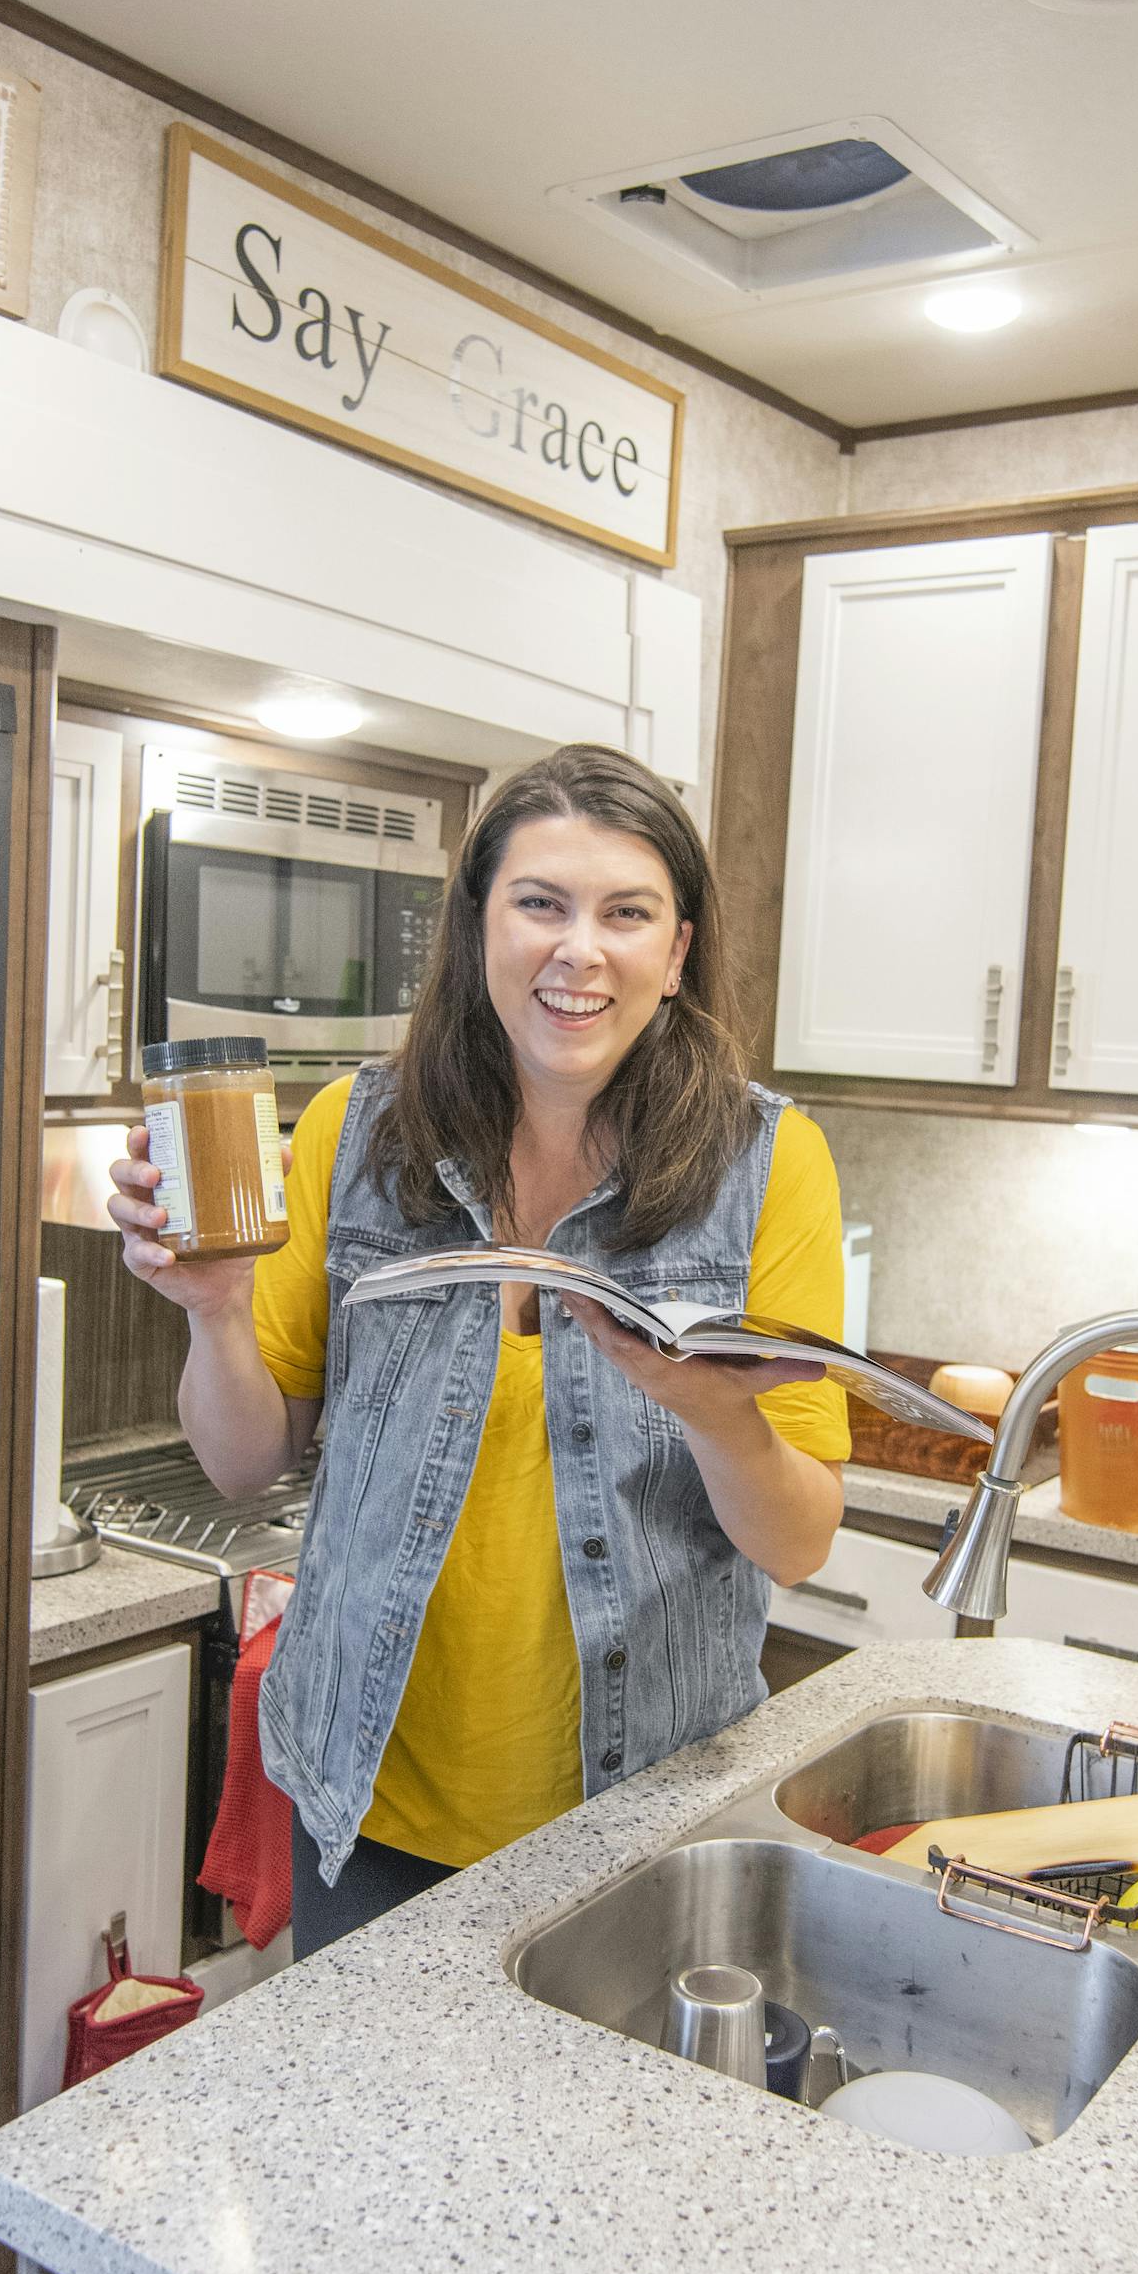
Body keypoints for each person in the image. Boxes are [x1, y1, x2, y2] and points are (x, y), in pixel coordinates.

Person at [109, 742, 849, 1954]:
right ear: (478, 931)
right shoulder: (355, 1130)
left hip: (641, 1817)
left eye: (627, 913)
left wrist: (713, 1408)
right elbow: (245, 1464)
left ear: (677, 954)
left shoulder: (765, 1165)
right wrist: (215, 1308)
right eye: (539, 904)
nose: (579, 949)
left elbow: (800, 1538)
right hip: (365, 1793)